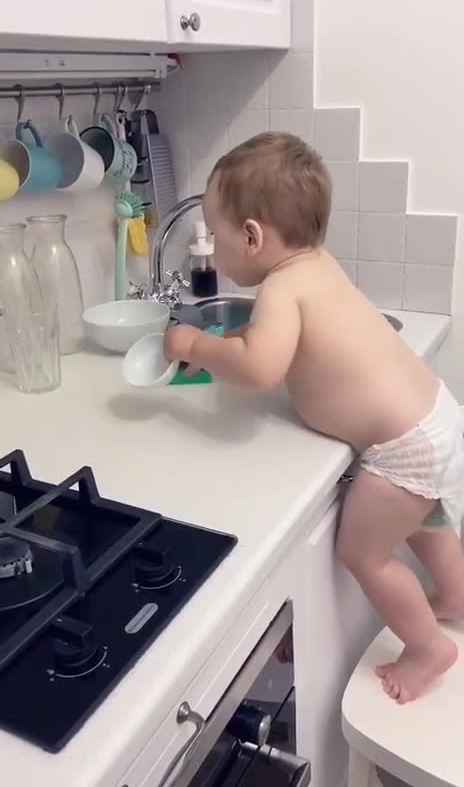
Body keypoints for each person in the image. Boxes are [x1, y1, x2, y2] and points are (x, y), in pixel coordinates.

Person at [164, 132, 464, 704]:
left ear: (251, 237)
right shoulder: (315, 266)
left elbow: (259, 366)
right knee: (427, 523)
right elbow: (282, 344)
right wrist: (232, 341)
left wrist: (194, 346)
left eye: (214, 232)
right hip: (436, 417)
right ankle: (455, 596)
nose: (212, 246)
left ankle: (428, 647)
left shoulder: (280, 288)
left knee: (363, 553)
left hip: (401, 449)